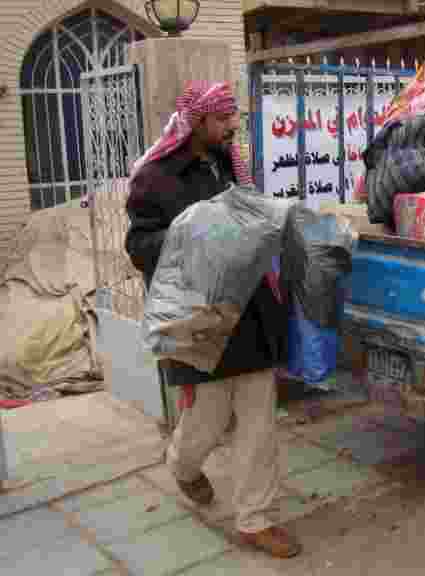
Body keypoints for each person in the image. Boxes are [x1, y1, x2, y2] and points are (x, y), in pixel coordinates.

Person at [124, 81, 300, 558]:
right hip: (199, 319)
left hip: (250, 313)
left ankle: (256, 518)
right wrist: (192, 233)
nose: (231, 127)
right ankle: (182, 467)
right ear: (197, 121)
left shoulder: (229, 165)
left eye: (232, 118)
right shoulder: (154, 178)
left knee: (259, 422)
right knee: (206, 421)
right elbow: (139, 247)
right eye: (222, 120)